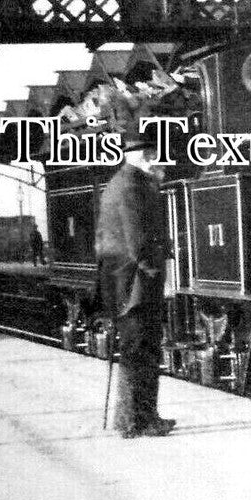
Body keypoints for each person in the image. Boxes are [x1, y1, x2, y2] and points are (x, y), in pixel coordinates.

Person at [95, 135, 175, 439]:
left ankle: (134, 418)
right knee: (141, 348)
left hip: (123, 282)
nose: (157, 158)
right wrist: (155, 272)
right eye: (153, 152)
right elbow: (137, 239)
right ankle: (138, 421)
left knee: (137, 348)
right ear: (144, 154)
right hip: (136, 284)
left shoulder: (119, 183)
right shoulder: (132, 186)